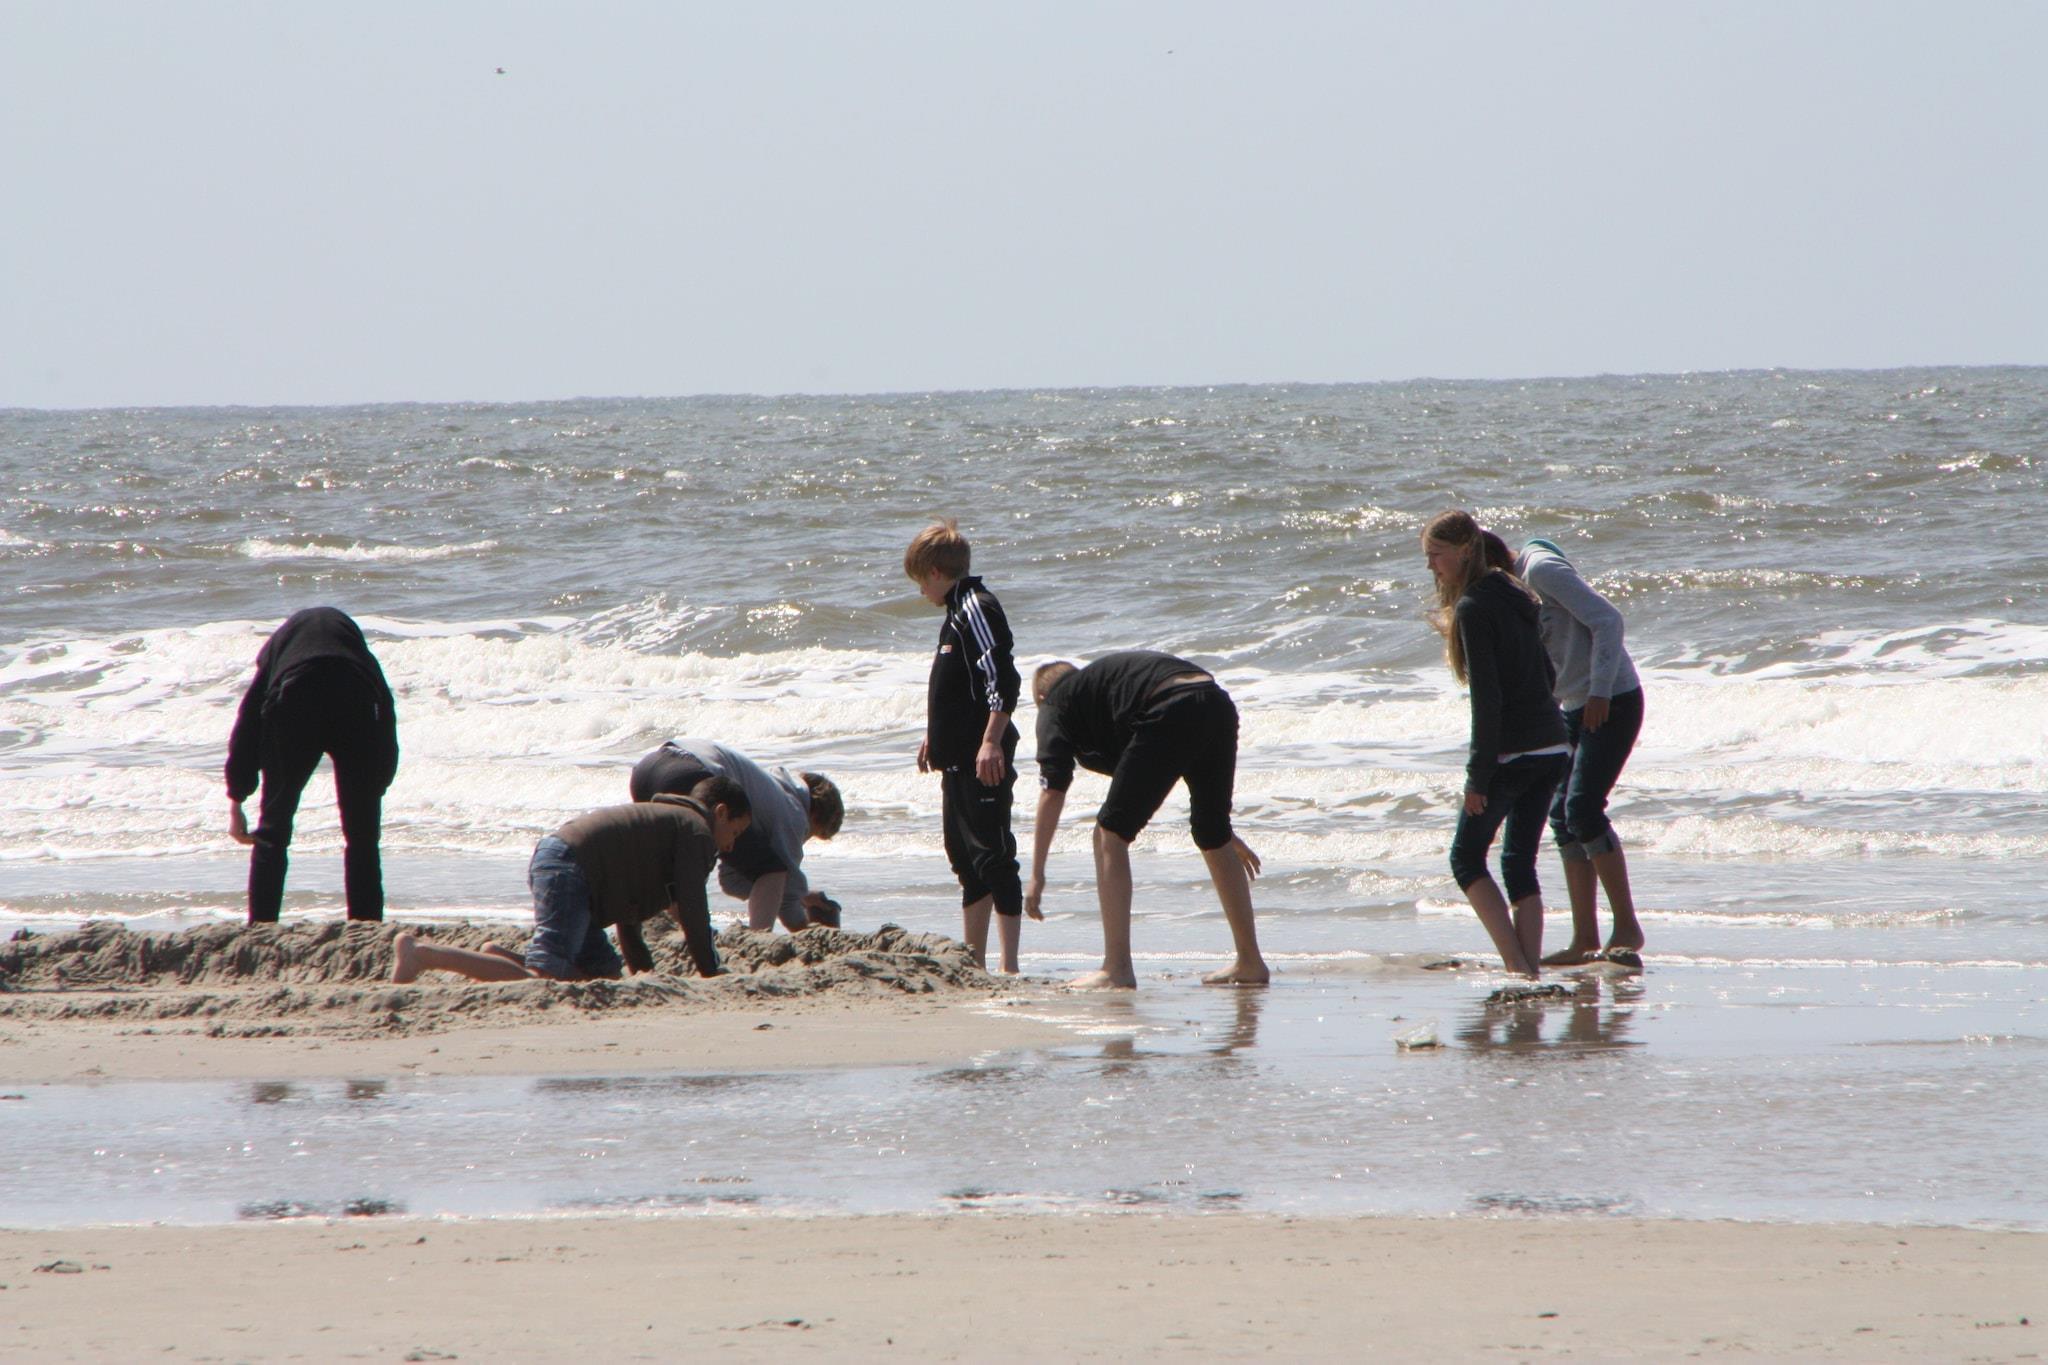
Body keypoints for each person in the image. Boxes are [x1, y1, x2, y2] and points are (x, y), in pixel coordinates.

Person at [1025, 651, 1269, 989]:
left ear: (1040, 697)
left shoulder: (1056, 701)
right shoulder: (1104, 693)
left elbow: (1052, 788)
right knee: (1211, 833)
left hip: (1170, 705)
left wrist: (1036, 874)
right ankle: (1250, 962)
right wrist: (1224, 832)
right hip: (1215, 701)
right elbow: (1167, 762)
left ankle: (1116, 968)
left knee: (1108, 834)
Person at [391, 774, 750, 983]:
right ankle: (422, 955)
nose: (731, 846)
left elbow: (630, 916)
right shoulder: (696, 831)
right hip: (569, 868)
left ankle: (498, 958)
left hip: (565, 867)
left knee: (603, 976)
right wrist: (710, 970)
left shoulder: (667, 824)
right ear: (720, 813)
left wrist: (642, 972)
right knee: (543, 979)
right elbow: (693, 907)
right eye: (735, 832)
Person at [1422, 510, 1569, 978]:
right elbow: (1548, 674)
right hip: (1552, 745)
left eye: (1436, 554)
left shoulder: (1473, 607)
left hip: (1513, 754)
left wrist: (1477, 777)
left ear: (1465, 551)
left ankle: (1516, 965)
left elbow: (1487, 702)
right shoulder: (1514, 592)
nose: (1430, 566)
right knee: (1519, 863)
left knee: (1465, 859)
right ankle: (1527, 973)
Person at [905, 519, 1030, 973]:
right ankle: (974, 963)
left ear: (936, 572)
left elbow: (1002, 677)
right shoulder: (955, 611)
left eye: (920, 580)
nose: (921, 590)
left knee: (994, 857)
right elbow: (959, 687)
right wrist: (934, 736)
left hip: (983, 760)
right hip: (957, 759)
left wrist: (991, 741)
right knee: (965, 860)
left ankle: (1009, 966)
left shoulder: (976, 606)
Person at [1516, 537, 1647, 966]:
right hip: (1573, 706)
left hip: (1612, 699)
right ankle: (1584, 939)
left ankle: (1626, 928)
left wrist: (1600, 691)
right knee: (1562, 818)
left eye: (1436, 556)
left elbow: (1608, 619)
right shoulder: (1513, 590)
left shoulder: (1539, 570)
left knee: (1584, 810)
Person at [225, 607, 399, 924]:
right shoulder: (356, 651)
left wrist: (238, 796)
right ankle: (366, 925)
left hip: (295, 697)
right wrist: (378, 780)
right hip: (353, 696)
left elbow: (248, 720)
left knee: (273, 831)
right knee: (362, 837)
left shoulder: (279, 648)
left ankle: (262, 925)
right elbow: (386, 710)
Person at [628, 738, 843, 930]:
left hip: (647, 771)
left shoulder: (772, 790)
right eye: (810, 835)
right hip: (691, 776)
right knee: (771, 869)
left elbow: (732, 882)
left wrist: (801, 896)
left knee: (675, 865)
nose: (802, 840)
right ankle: (759, 938)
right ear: (815, 816)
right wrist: (808, 928)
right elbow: (782, 890)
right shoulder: (795, 814)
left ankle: (680, 930)